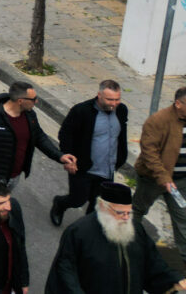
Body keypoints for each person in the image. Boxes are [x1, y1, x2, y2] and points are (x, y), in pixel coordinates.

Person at [46, 181, 186, 294]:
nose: (126, 218)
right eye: (120, 213)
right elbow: (65, 274)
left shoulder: (136, 229)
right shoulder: (79, 232)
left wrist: (174, 280)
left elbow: (152, 262)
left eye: (128, 213)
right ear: (103, 207)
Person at [50, 79, 127, 226]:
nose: (114, 103)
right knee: (78, 199)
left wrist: (121, 158)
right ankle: (60, 203)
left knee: (98, 203)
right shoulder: (81, 111)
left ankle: (86, 229)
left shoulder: (122, 110)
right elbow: (65, 134)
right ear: (99, 95)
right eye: (110, 99)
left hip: (108, 168)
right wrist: (68, 159)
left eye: (117, 99)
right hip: (84, 167)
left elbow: (121, 136)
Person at [0, 80, 75, 191]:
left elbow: (39, 137)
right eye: (33, 99)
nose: (36, 101)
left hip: (14, 176)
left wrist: (60, 156)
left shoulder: (29, 115)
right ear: (20, 101)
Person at [133, 85, 186, 266]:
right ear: (178, 104)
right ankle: (127, 246)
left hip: (181, 181)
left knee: (182, 218)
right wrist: (164, 179)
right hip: (153, 179)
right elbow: (149, 153)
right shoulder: (157, 121)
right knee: (138, 210)